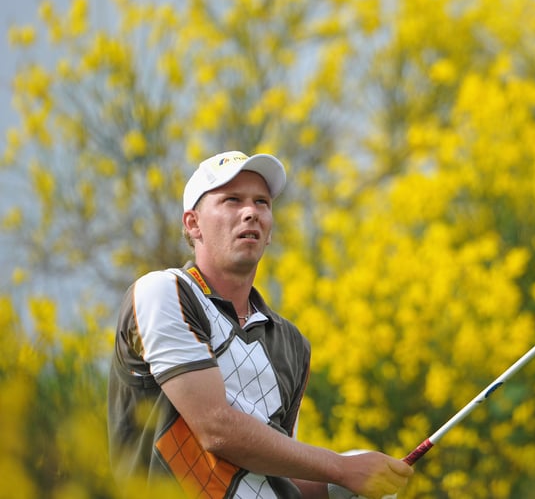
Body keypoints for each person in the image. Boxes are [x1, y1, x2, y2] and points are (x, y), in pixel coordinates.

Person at [108, 150, 413, 499]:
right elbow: (215, 428)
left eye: (262, 202)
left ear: (269, 230)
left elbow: (277, 468)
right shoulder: (164, 291)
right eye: (232, 200)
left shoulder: (292, 343)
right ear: (193, 224)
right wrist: (343, 469)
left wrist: (349, 485)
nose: (250, 212)